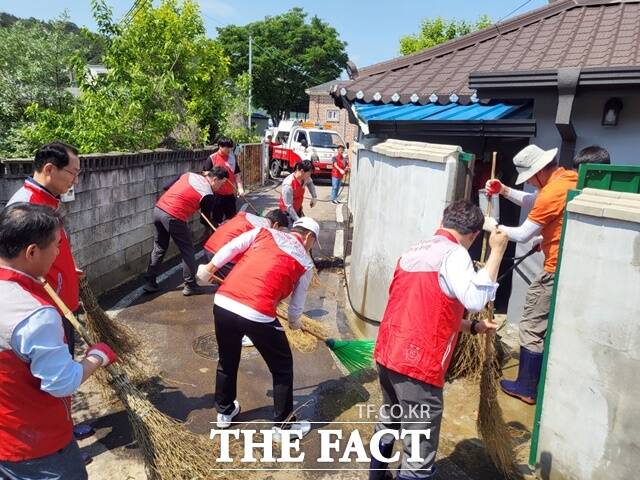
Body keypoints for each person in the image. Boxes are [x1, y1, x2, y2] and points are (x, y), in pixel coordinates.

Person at [370, 201, 508, 480]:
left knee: (389, 421)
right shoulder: (454, 254)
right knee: (419, 454)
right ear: (473, 235)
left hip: (388, 355)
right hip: (417, 366)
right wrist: (497, 252)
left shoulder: (414, 250)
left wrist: (471, 326)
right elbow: (476, 298)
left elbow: (427, 308)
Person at [0, 203, 117, 480]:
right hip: (38, 447)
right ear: (31, 252)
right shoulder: (34, 314)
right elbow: (61, 382)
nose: (58, 252)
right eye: (57, 245)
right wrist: (97, 356)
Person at [6, 141, 97, 444]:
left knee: (63, 366)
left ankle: (66, 427)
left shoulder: (48, 199)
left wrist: (70, 270)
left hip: (62, 304)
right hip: (49, 308)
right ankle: (58, 441)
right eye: (73, 173)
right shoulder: (25, 206)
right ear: (49, 169)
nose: (75, 180)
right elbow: (20, 264)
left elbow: (52, 253)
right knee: (53, 379)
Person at [196, 217, 320, 440]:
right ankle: (283, 427)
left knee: (227, 358)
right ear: (309, 237)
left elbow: (232, 247)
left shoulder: (264, 233)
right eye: (313, 242)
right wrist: (294, 322)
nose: (311, 247)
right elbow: (295, 306)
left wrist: (209, 268)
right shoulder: (306, 263)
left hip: (224, 302)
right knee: (282, 367)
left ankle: (224, 412)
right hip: (257, 313)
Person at [484, 144, 578, 405]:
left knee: (531, 326)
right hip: (560, 260)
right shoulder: (567, 179)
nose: (531, 185)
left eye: (530, 179)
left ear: (537, 173)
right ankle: (533, 380)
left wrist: (495, 226)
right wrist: (503, 190)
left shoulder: (551, 192)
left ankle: (525, 387)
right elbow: (534, 201)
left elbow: (523, 233)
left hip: (552, 269)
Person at [143, 167, 228, 296]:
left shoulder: (189, 175)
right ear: (215, 179)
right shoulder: (207, 194)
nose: (221, 187)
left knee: (160, 247)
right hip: (173, 215)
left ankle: (150, 282)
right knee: (188, 249)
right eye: (221, 184)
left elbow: (166, 187)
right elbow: (204, 220)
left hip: (159, 209)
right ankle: (190, 285)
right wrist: (219, 226)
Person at [203, 138, 245, 225]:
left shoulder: (232, 159)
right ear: (220, 146)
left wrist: (240, 188)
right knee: (217, 220)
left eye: (230, 147)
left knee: (232, 220)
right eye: (227, 148)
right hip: (217, 195)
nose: (229, 150)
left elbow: (237, 175)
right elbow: (205, 174)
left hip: (230, 194)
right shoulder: (212, 158)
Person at [279, 160, 317, 225]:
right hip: (287, 213)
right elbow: (289, 206)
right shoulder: (288, 185)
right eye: (309, 173)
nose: (310, 175)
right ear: (302, 171)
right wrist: (298, 220)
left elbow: (310, 183)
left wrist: (314, 197)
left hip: (298, 209)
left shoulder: (305, 178)